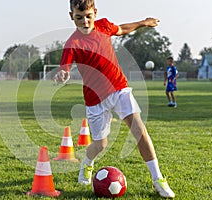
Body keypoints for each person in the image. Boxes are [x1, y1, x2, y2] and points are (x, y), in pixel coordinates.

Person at [54, 0, 175, 198]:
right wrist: (63, 74)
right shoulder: (72, 43)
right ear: (71, 16)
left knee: (138, 129)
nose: (85, 21)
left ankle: (158, 179)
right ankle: (87, 163)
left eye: (88, 16)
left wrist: (143, 22)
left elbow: (123, 29)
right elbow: (64, 67)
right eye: (79, 17)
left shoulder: (103, 26)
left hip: (119, 89)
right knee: (100, 144)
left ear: (95, 12)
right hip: (95, 99)